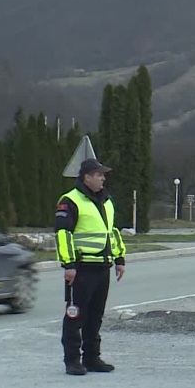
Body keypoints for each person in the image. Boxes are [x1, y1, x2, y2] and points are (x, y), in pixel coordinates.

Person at [54, 158, 127, 376]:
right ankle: (72, 360)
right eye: (99, 174)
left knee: (96, 315)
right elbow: (63, 234)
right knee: (76, 314)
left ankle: (92, 357)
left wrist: (119, 258)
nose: (103, 178)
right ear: (86, 177)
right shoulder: (70, 201)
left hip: (102, 267)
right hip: (82, 267)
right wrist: (69, 265)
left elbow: (111, 231)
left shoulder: (106, 200)